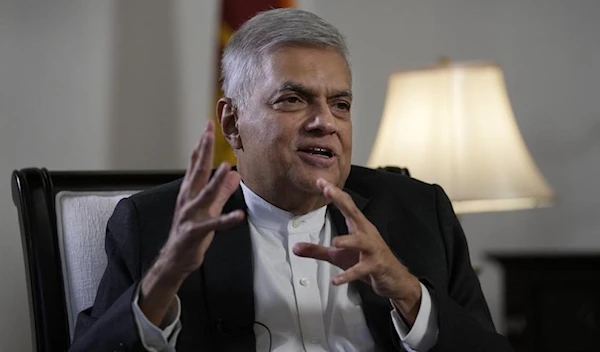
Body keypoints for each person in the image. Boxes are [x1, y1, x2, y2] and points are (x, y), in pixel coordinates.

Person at [71, 8, 513, 352]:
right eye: (293, 99)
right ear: (232, 122)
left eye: (340, 104)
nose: (325, 122)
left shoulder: (419, 213)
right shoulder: (155, 223)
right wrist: (166, 275)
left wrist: (408, 292)